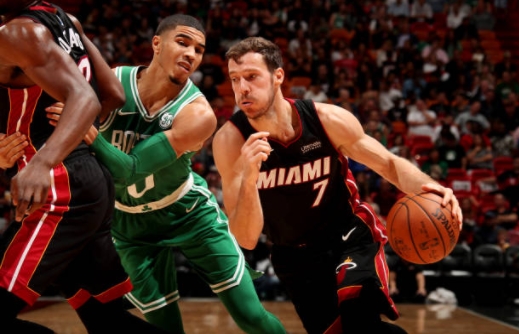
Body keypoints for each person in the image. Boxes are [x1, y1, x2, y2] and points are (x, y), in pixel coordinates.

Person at [47, 15, 286, 334]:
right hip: (129, 223)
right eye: (183, 42)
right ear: (156, 44)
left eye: (199, 50)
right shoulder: (112, 83)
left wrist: (89, 133)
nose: (191, 54)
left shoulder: (198, 114)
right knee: (164, 326)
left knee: (250, 316)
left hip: (187, 213)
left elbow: (128, 171)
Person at [213, 37, 462, 334]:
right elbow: (246, 238)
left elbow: (388, 163)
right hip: (293, 256)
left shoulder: (326, 119)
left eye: (252, 77)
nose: (242, 89)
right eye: (234, 79)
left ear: (278, 76)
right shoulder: (230, 142)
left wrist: (431, 187)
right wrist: (251, 178)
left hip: (347, 234)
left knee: (360, 321)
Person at [0, 1, 169, 333]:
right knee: (106, 321)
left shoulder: (19, 31)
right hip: (87, 182)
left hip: (58, 186)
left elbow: (88, 100)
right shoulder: (66, 22)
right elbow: (113, 95)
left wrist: (42, 160)